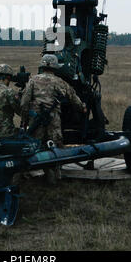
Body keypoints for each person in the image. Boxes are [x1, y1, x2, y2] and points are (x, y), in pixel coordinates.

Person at [20, 54, 86, 184]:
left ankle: (27, 174)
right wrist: (82, 107)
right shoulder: (59, 82)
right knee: (55, 147)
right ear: (55, 67)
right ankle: (55, 177)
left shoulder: (33, 81)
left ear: (42, 65)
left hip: (36, 120)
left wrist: (25, 119)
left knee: (33, 146)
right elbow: (73, 97)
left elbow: (24, 103)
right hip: (53, 120)